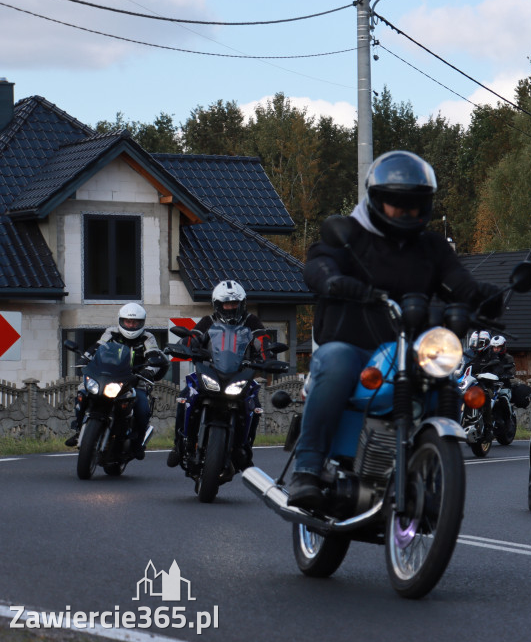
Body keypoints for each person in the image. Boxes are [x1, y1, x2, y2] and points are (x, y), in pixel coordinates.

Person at [288, 150, 503, 508]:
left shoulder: (432, 246)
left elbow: (458, 280)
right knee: (337, 363)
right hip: (352, 343)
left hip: (413, 347)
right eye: (397, 205)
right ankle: (307, 470)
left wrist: (484, 296)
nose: (406, 213)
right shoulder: (351, 234)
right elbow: (320, 262)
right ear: (377, 201)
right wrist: (334, 281)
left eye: (415, 206)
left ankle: (427, 472)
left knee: (444, 380)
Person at [166, 280, 271, 469]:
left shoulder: (251, 321)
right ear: (217, 304)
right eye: (226, 303)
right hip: (211, 371)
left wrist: (266, 355)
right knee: (185, 397)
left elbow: (262, 341)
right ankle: (179, 445)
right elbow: (194, 337)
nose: (231, 307)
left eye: (235, 303)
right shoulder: (208, 321)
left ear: (242, 303)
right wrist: (185, 345)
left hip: (240, 375)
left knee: (254, 405)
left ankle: (244, 448)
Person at [65, 303, 162, 459]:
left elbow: (153, 356)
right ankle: (78, 430)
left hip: (136, 380)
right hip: (109, 376)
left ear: (141, 323)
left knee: (143, 409)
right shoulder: (111, 332)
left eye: (135, 322)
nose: (131, 325)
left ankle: (137, 444)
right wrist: (84, 359)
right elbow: (97, 347)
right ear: (121, 321)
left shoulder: (147, 337)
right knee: (82, 391)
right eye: (128, 322)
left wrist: (149, 372)